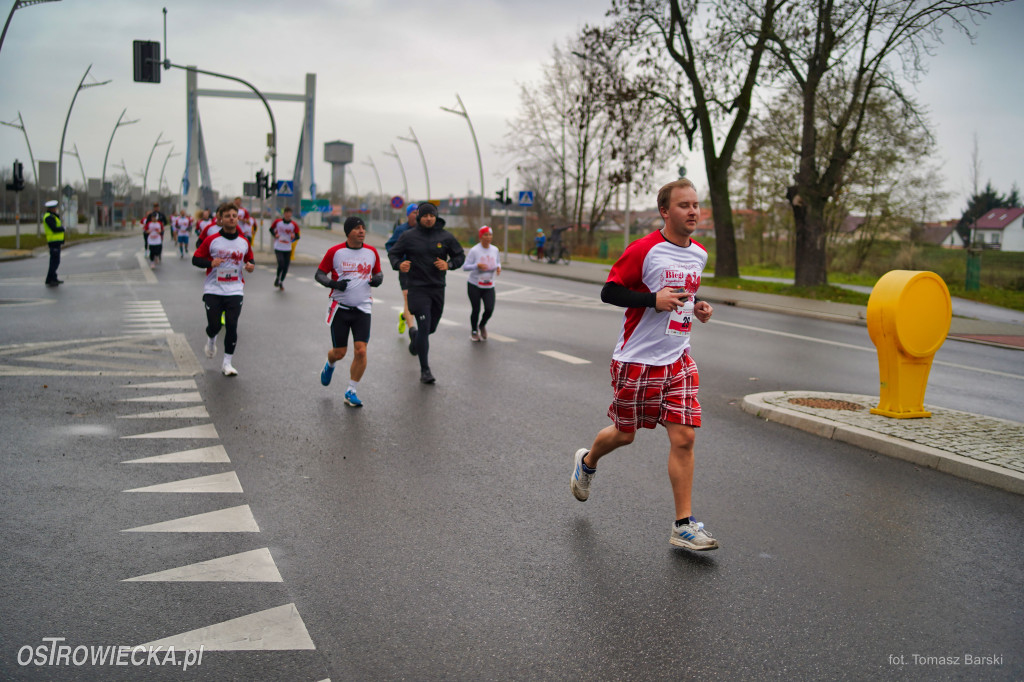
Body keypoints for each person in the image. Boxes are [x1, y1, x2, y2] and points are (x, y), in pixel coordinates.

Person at [570, 178, 718, 551]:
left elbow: (687, 289)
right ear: (665, 211)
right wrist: (653, 300)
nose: (693, 212)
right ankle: (587, 462)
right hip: (637, 360)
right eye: (684, 205)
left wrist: (697, 305)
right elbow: (610, 291)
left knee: (684, 437)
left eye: (696, 205)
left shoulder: (699, 254)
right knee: (625, 434)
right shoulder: (645, 250)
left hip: (677, 357)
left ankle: (683, 525)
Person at [387, 202, 465, 384]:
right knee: (424, 325)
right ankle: (425, 370)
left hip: (437, 287)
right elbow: (394, 254)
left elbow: (460, 255)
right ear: (419, 217)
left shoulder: (445, 236)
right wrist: (399, 265)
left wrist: (450, 265)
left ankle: (414, 338)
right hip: (417, 288)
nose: (429, 219)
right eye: (425, 216)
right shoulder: (408, 236)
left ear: (436, 216)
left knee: (431, 328)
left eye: (432, 215)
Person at [315, 216, 383, 407]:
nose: (362, 231)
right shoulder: (335, 252)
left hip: (363, 308)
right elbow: (319, 274)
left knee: (361, 351)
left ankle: (351, 390)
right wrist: (333, 283)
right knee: (339, 352)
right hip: (340, 309)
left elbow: (378, 272)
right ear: (348, 232)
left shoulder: (371, 252)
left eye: (363, 228)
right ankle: (330, 365)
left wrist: (378, 279)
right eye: (357, 228)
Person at [192, 202, 255, 377]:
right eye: (227, 216)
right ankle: (211, 339)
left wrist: (250, 266)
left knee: (232, 325)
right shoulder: (212, 240)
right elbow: (195, 259)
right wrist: (210, 262)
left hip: (235, 289)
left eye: (234, 216)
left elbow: (250, 259)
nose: (231, 219)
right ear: (221, 219)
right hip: (213, 289)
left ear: (237, 218)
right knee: (214, 325)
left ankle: (227, 363)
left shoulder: (243, 241)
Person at [462, 225, 501, 341]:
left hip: (489, 285)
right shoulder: (474, 250)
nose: (488, 237)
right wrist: (476, 266)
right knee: (476, 309)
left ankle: (482, 324)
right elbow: (465, 267)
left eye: (490, 235)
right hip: (474, 285)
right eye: (485, 235)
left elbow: (498, 262)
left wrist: (498, 267)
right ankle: (474, 331)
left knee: (489, 309)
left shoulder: (495, 249)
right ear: (480, 237)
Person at [384, 203, 418, 336]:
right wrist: (399, 261)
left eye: (418, 213)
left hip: (420, 270)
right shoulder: (401, 230)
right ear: (408, 214)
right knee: (407, 298)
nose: (417, 215)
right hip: (405, 269)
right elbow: (389, 245)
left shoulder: (423, 230)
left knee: (416, 300)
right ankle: (412, 331)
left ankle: (404, 316)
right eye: (414, 213)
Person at [268, 206, 301, 290]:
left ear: (291, 214)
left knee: (286, 267)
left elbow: (298, 236)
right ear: (284, 214)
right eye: (286, 213)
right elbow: (271, 229)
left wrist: (293, 237)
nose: (288, 215)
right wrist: (275, 235)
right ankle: (277, 278)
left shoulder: (293, 225)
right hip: (278, 246)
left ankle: (281, 281)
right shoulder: (278, 222)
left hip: (287, 248)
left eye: (289, 213)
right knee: (281, 263)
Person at [42, 200, 64, 287]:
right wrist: (62, 228)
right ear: (51, 209)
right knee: (54, 262)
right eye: (54, 208)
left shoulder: (52, 216)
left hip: (56, 242)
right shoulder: (48, 217)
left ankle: (53, 278)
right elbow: (54, 228)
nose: (56, 209)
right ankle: (50, 279)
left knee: (55, 261)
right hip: (53, 242)